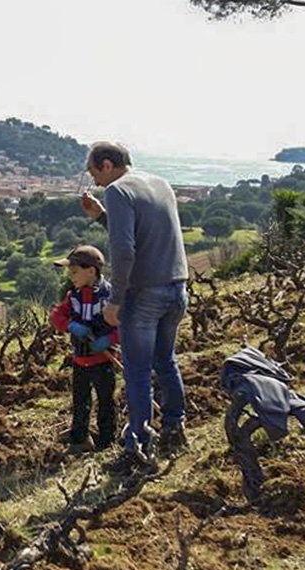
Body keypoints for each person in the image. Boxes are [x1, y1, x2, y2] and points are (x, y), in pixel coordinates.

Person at [79, 142, 189, 468]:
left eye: (94, 171)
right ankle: (174, 429)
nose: (94, 180)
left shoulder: (118, 191)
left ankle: (137, 447)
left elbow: (125, 252)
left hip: (145, 294)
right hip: (177, 287)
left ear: (108, 164)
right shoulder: (160, 184)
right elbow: (146, 233)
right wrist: (101, 217)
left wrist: (115, 300)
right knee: (165, 362)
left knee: (138, 371)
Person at [49, 245, 119, 453]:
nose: (71, 277)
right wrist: (70, 325)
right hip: (80, 361)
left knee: (106, 401)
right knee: (80, 401)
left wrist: (108, 340)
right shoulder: (73, 296)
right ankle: (80, 438)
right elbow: (56, 316)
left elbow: (124, 324)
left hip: (103, 361)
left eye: (74, 272)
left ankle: (107, 441)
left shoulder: (110, 296)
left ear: (91, 271)